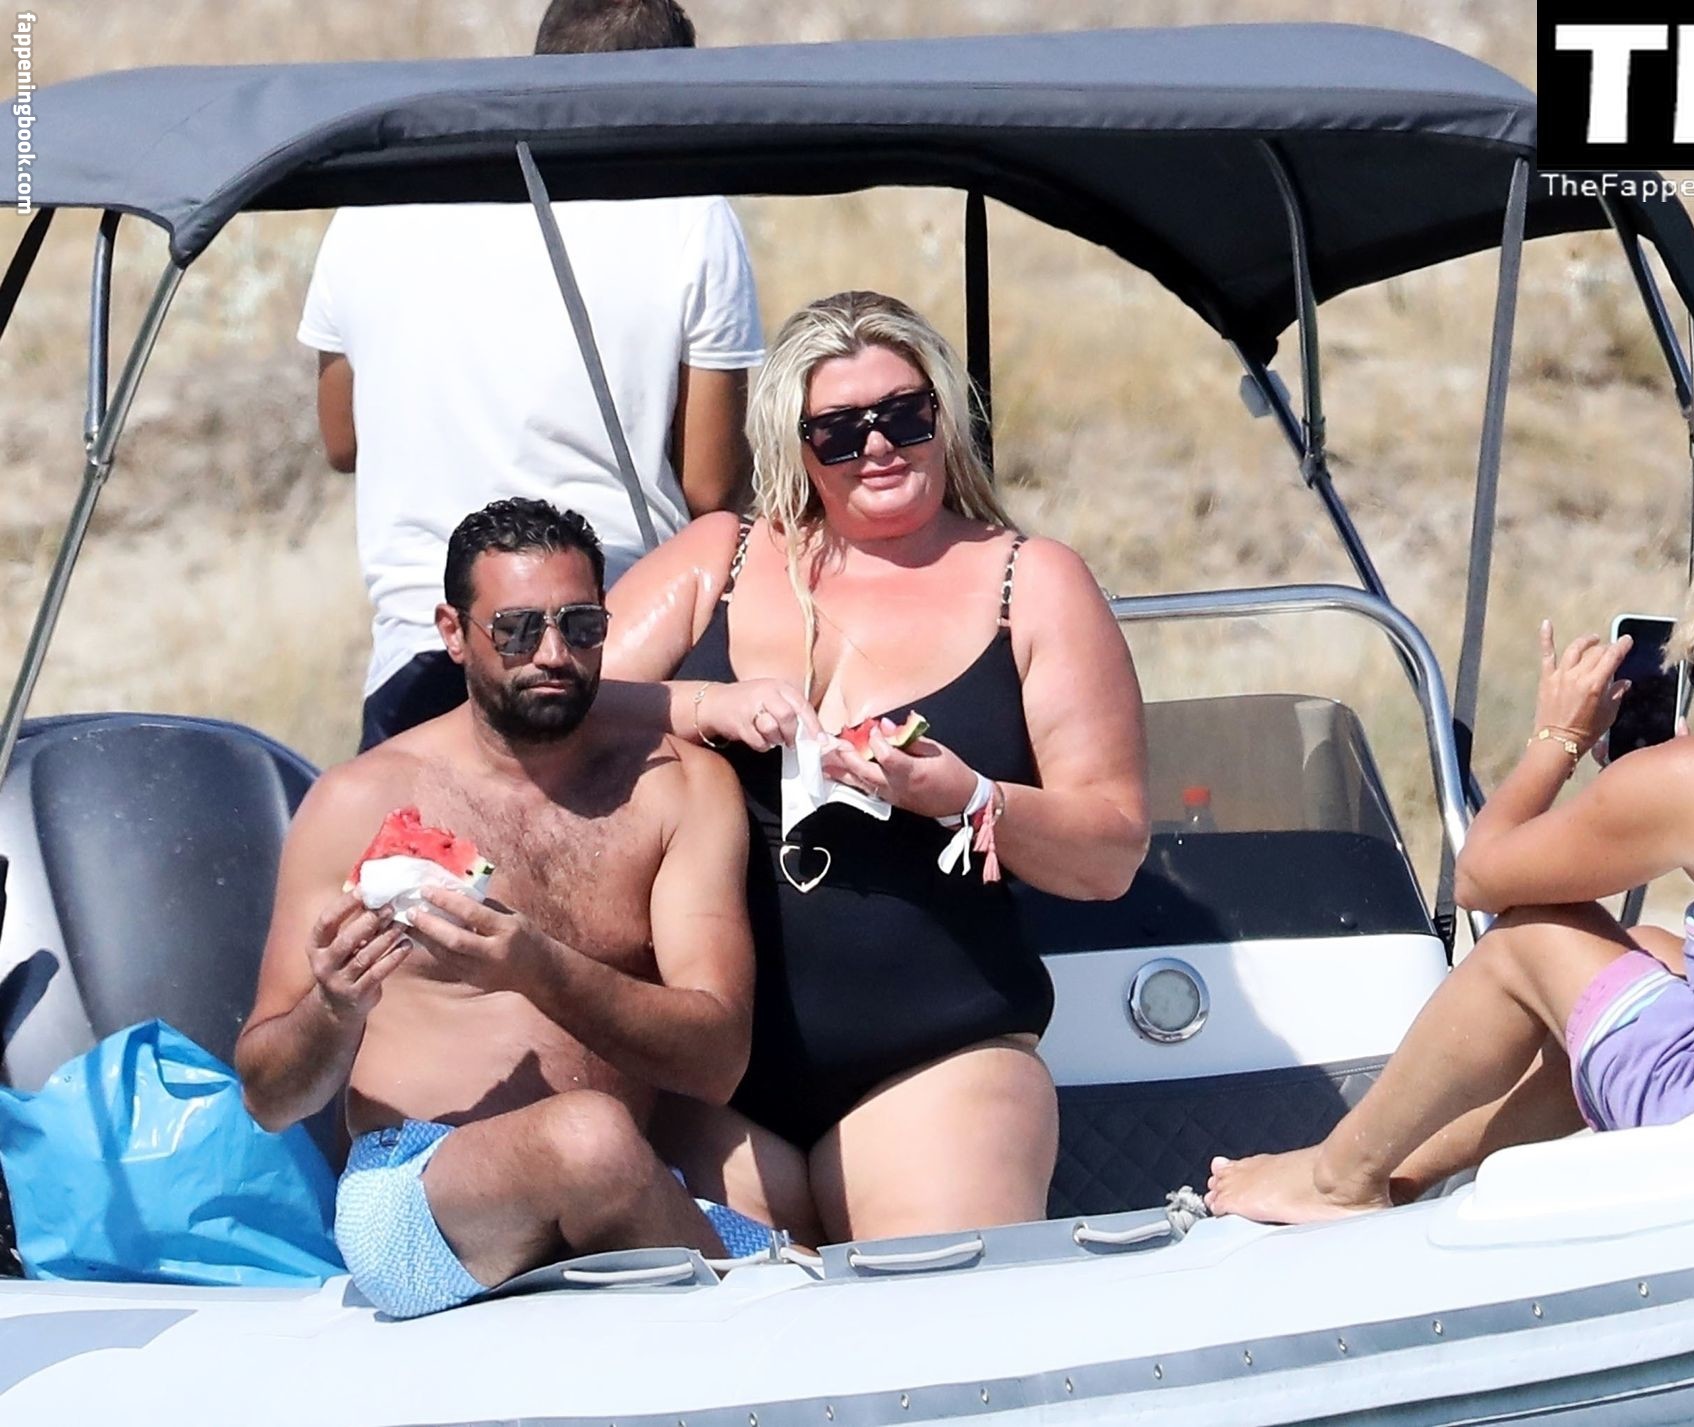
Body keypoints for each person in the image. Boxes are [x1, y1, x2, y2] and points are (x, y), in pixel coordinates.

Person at [1207, 454, 1694, 1224]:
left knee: (1535, 935)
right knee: (1649, 950)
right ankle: (1409, 1175)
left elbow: (1481, 875)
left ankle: (1340, 1177)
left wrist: (1559, 738)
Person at [599, 290, 1149, 1245]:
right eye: (841, 430)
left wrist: (969, 796)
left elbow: (1111, 851)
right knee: (718, 1338)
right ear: (795, 445)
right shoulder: (719, 559)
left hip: (938, 1058)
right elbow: (550, 705)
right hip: (717, 1077)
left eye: (905, 414)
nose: (880, 446)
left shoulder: (1031, 581)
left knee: (932, 1320)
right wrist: (703, 705)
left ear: (945, 415)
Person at [236, 498, 756, 1318]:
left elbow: (716, 1060)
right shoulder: (359, 799)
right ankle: (750, 1328)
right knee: (587, 1139)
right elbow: (269, 1099)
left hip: (620, 1181)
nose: (552, 653)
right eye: (515, 630)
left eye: (581, 626)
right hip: (416, 1195)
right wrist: (333, 1009)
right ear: (454, 632)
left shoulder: (679, 788)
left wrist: (537, 968)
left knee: (810, 1241)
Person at [298, 0, 764, 752]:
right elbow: (711, 488)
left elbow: (341, 439)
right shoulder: (691, 211)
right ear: (675, 85)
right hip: (604, 643)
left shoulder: (373, 206)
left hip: (426, 642)